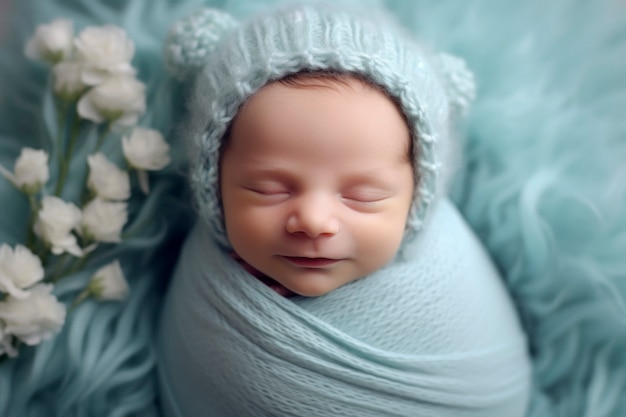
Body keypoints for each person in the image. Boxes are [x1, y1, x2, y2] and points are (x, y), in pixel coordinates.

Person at [158, 4, 532, 416]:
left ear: (417, 198)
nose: (315, 221)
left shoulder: (453, 280)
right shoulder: (204, 286)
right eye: (268, 189)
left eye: (363, 196)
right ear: (213, 186)